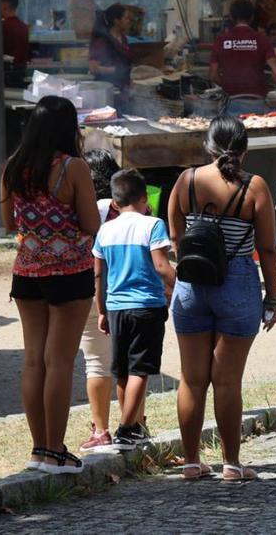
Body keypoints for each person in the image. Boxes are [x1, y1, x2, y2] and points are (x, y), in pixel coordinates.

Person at [167, 116, 276, 481]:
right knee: (228, 380)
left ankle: (190, 462)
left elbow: (175, 235)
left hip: (192, 284)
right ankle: (231, 463)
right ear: (244, 150)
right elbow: (266, 247)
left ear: (208, 146)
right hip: (237, 282)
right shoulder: (255, 187)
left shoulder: (186, 181)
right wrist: (273, 297)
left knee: (192, 379)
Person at [1, 96, 101, 474]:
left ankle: (38, 449)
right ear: (67, 128)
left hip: (26, 272)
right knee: (59, 362)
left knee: (33, 361)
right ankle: (57, 451)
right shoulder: (73, 168)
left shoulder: (12, 167)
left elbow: (10, 224)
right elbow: (91, 223)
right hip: (69, 274)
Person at [93, 169, 175, 451]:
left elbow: (99, 275)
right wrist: (180, 284)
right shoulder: (153, 225)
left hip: (115, 307)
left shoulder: (105, 230)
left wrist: (101, 310)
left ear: (114, 203)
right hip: (146, 305)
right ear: (145, 197)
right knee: (141, 368)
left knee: (123, 370)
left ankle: (130, 424)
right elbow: (161, 266)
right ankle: (128, 428)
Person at [76, 149, 120, 453]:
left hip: (91, 292)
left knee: (96, 363)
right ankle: (135, 424)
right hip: (129, 293)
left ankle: (101, 430)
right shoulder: (131, 210)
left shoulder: (80, 208)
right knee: (130, 364)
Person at [210, 0, 276, 116]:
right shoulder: (262, 39)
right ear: (252, 17)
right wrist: (268, 86)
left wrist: (229, 86)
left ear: (231, 17)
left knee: (233, 134)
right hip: (258, 103)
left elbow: (213, 75)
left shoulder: (221, 40)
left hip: (232, 103)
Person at [89, 4, 134, 104]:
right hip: (108, 91)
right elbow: (93, 68)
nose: (129, 21)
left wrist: (129, 82)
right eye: (126, 18)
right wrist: (117, 70)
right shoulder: (102, 41)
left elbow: (126, 64)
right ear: (116, 21)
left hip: (123, 90)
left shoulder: (123, 38)